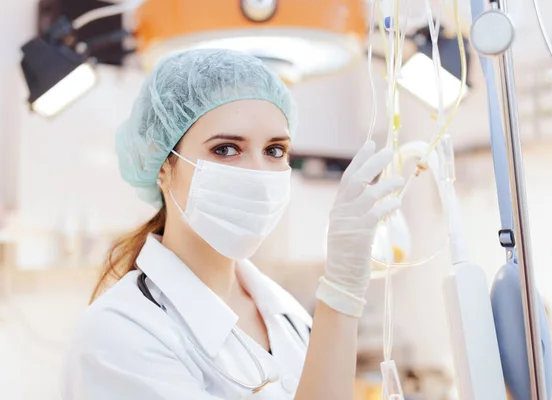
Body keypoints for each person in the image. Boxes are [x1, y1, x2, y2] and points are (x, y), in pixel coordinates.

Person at [61, 48, 404, 400]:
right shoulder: (119, 336)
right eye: (226, 149)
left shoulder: (284, 314)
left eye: (274, 151)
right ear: (163, 166)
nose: (258, 174)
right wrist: (340, 297)